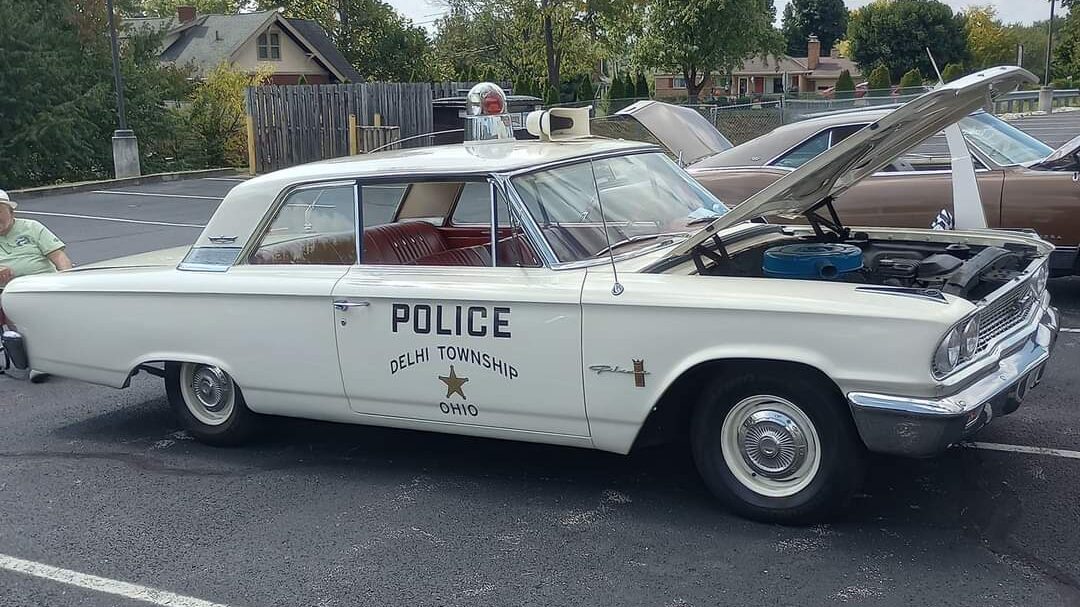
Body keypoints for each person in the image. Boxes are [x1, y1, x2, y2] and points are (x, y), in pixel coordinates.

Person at [0, 189, 72, 382]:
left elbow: (59, 257)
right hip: (8, 292)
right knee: (16, 305)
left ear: (11, 212)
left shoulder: (32, 227)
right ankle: (37, 359)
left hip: (44, 284)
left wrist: (66, 280)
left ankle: (42, 358)